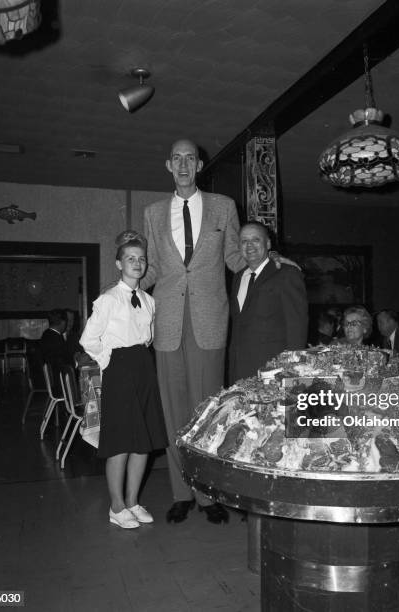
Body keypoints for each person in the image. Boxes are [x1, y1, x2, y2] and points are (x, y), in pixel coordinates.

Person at [144, 139, 298, 524]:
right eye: (176, 158)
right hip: (167, 325)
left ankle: (208, 492)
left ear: (199, 166)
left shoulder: (223, 206)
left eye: (189, 159)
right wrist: (123, 286)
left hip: (210, 323)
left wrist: (268, 256)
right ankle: (182, 491)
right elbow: (150, 270)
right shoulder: (152, 213)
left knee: (209, 411)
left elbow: (235, 257)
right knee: (174, 410)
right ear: (168, 165)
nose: (183, 164)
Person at [80, 231, 168, 529]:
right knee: (120, 442)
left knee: (142, 441)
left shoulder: (148, 300)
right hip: (118, 369)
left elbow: (149, 338)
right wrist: (109, 361)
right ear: (119, 264)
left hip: (144, 367)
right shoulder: (107, 299)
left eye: (141, 259)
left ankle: (132, 501)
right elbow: (88, 340)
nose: (136, 263)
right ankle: (116, 507)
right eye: (130, 258)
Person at [228, 222, 308, 383]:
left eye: (255, 239)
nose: (249, 245)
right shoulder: (238, 277)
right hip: (240, 370)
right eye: (244, 241)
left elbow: (297, 326)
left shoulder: (286, 274)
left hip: (273, 370)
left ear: (268, 243)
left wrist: (291, 369)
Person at [39, 309, 73, 392]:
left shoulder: (47, 334)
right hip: (58, 382)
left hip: (51, 379)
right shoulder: (55, 338)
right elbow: (61, 363)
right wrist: (77, 363)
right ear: (63, 322)